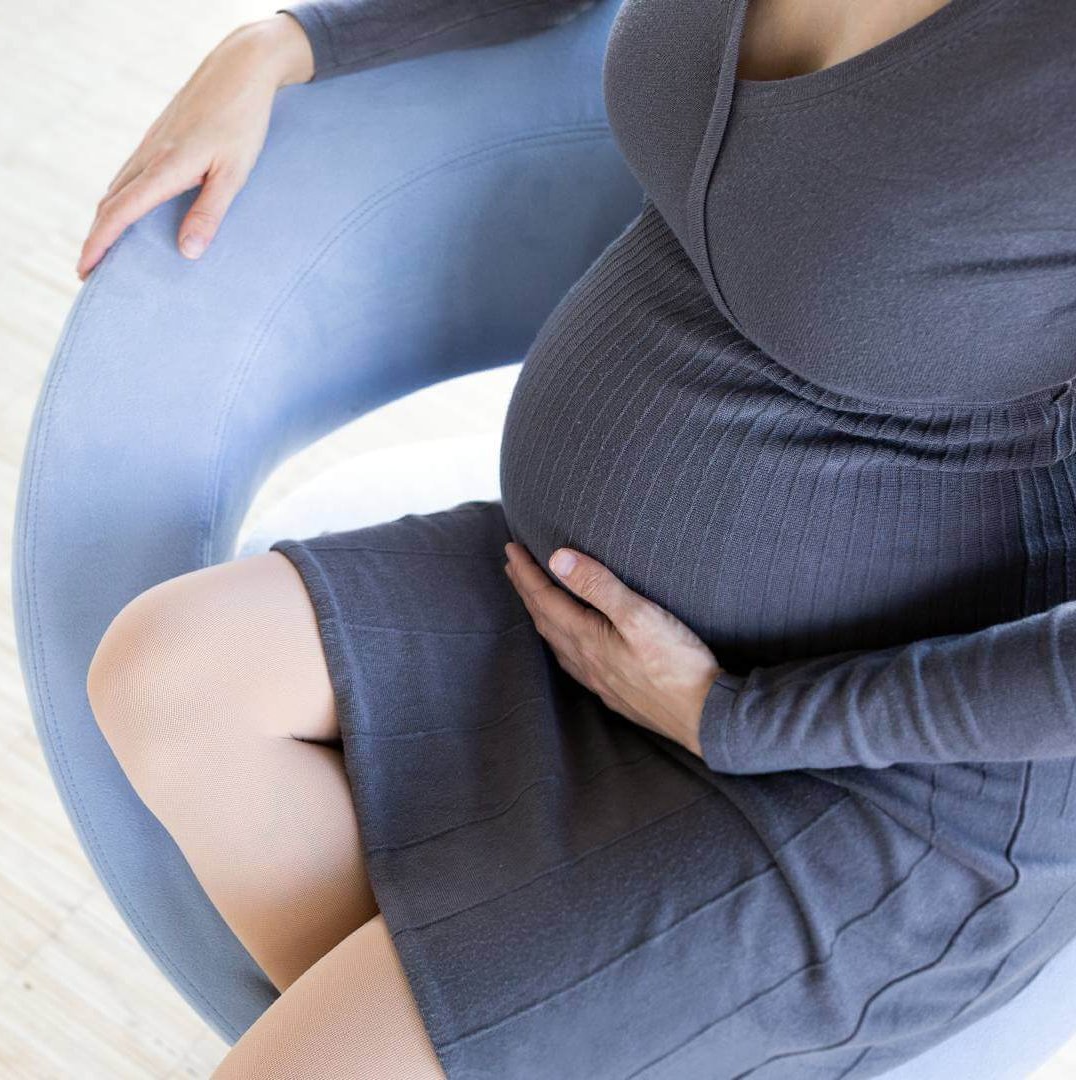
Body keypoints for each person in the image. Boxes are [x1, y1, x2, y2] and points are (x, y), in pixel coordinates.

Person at [83, 0, 1076, 1076]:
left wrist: (735, 717)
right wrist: (288, 40)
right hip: (585, 616)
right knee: (169, 681)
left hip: (889, 772)